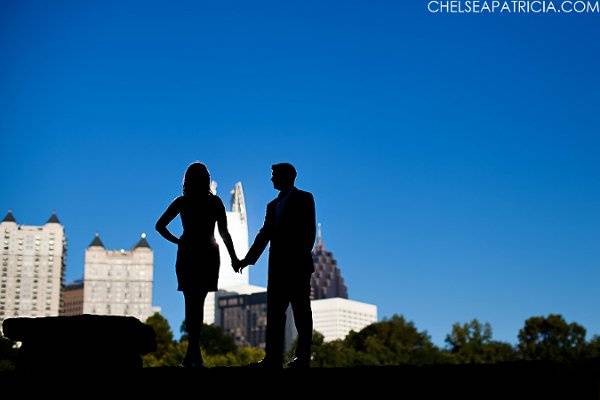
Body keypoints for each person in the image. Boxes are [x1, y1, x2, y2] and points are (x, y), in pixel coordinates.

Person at [156, 162, 239, 368]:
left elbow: (160, 226)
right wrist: (234, 258)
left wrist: (178, 241)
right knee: (198, 303)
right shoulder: (215, 202)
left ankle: (191, 354)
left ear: (187, 180)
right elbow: (224, 234)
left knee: (190, 302)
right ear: (206, 180)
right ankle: (194, 354)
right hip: (208, 254)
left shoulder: (182, 202)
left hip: (188, 253)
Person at [235, 163, 316, 368]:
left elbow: (309, 233)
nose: (271, 179)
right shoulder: (272, 205)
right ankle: (273, 358)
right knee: (274, 314)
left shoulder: (305, 198)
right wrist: (247, 259)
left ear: (288, 176)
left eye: (274, 175)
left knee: (301, 312)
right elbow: (264, 234)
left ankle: (303, 357)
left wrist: (299, 258)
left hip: (297, 267)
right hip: (278, 269)